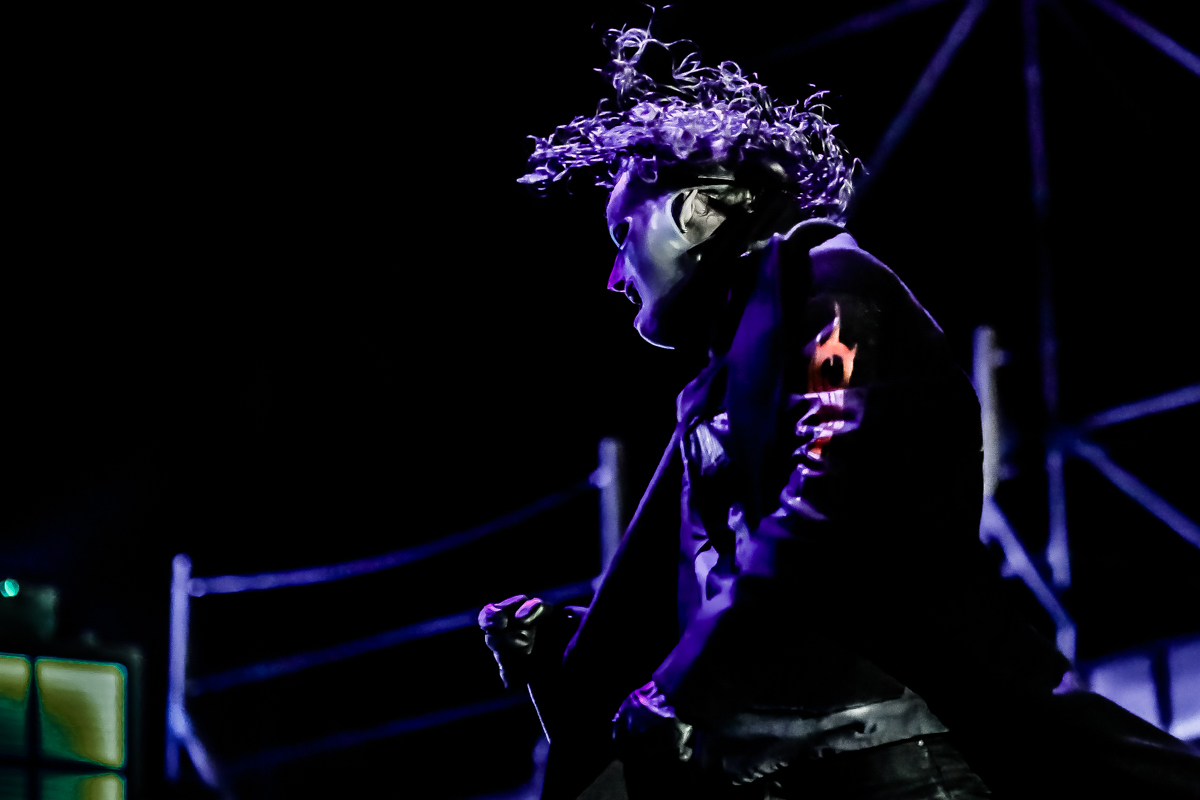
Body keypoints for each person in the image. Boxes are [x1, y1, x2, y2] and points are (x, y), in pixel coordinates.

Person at [479, 25, 1200, 800]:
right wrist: (567, 645)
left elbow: (829, 503)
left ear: (692, 209)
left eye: (624, 232)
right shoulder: (727, 377)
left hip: (886, 769)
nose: (615, 275)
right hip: (784, 777)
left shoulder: (832, 288)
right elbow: (725, 577)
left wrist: (681, 688)